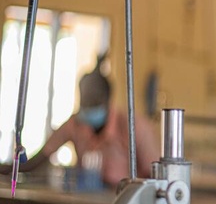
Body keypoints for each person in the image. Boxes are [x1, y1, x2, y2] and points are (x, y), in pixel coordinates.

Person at [0, 54, 160, 187]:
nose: (88, 107)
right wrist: (9, 169)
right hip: (88, 199)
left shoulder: (134, 127)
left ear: (107, 99)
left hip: (123, 203)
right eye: (85, 101)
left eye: (94, 101)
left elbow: (155, 176)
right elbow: (42, 156)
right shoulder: (75, 124)